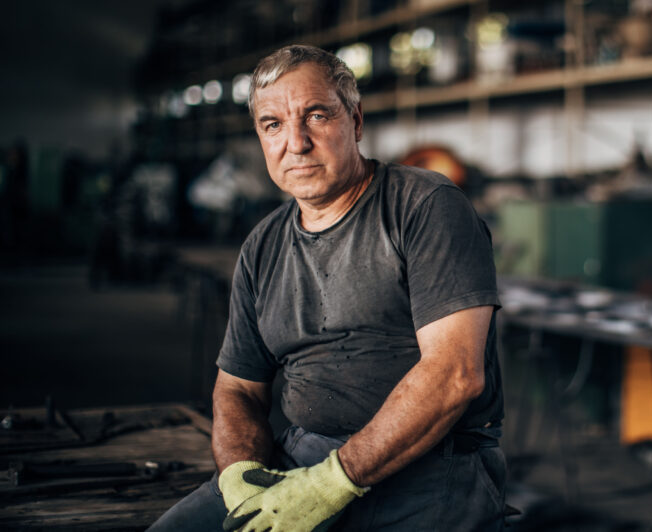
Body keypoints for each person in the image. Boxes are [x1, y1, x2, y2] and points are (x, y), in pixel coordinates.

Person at [149, 44, 506, 532]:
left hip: (430, 465)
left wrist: (330, 485)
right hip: (305, 453)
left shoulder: (425, 206)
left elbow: (454, 374)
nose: (295, 143)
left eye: (316, 116)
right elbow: (238, 387)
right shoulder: (263, 245)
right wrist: (240, 476)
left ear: (355, 122)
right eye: (273, 124)